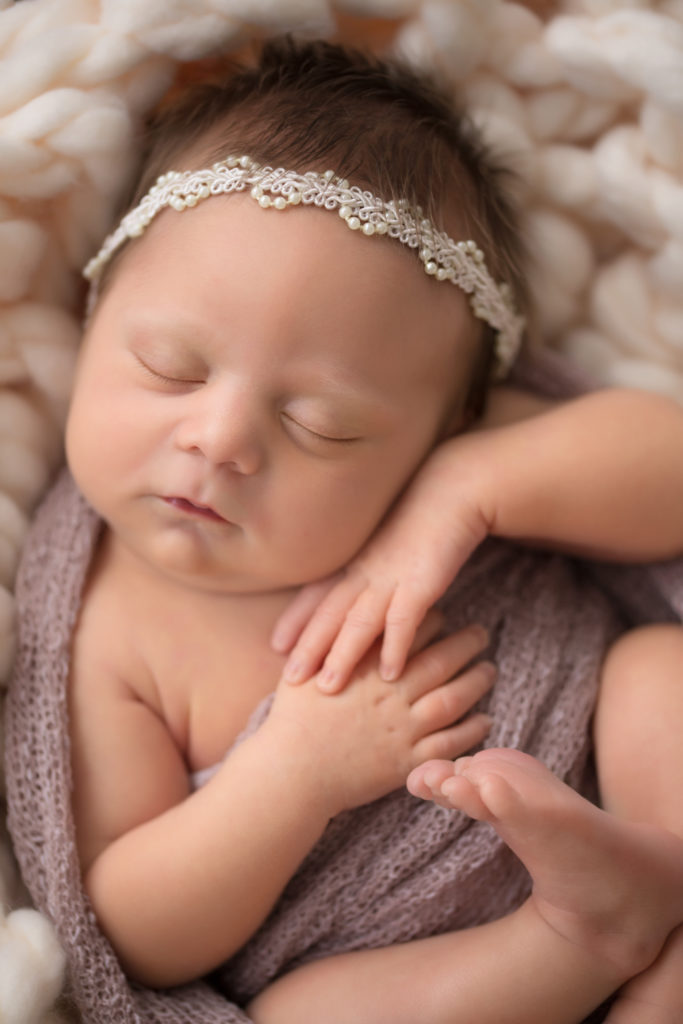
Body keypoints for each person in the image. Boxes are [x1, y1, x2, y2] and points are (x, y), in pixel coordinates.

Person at [6, 36, 683, 1024]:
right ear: (95, 308)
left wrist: (468, 488)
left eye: (322, 423)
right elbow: (135, 924)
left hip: (612, 786)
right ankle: (590, 941)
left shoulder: (451, 462)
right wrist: (293, 775)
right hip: (424, 961)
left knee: (656, 673)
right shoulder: (112, 621)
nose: (220, 438)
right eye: (171, 367)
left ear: (436, 424)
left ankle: (657, 897)